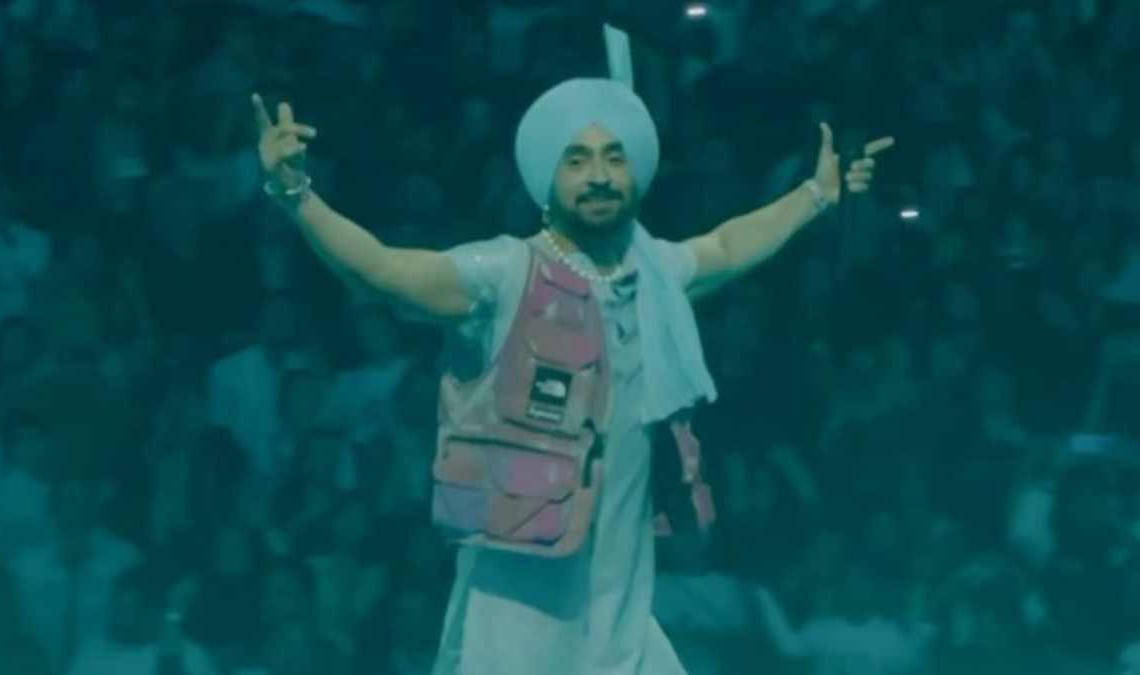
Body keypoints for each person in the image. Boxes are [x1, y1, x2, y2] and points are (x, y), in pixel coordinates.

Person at [253, 69, 890, 675]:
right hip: (521, 599)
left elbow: (726, 245)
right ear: (547, 178)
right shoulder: (505, 275)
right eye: (577, 161)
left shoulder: (655, 275)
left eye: (614, 158)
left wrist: (815, 195)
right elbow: (382, 272)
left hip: (618, 603)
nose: (600, 176)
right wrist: (296, 194)